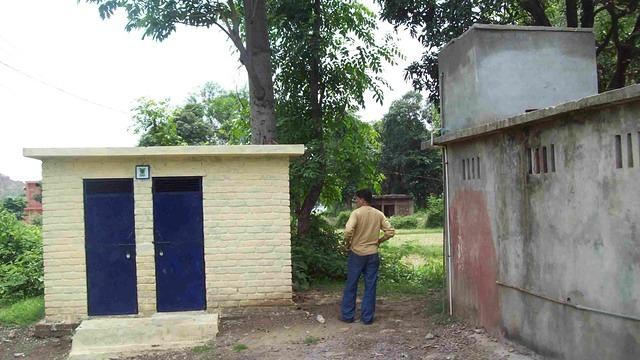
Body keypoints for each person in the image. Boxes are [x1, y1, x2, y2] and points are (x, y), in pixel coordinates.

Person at [340, 188, 395, 324]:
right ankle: (367, 318)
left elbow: (348, 230)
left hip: (356, 254)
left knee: (351, 285)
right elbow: (390, 232)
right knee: (370, 286)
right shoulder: (379, 214)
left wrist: (347, 243)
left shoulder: (356, 213)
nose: (356, 201)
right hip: (372, 254)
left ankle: (348, 316)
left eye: (357, 199)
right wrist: (378, 241)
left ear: (362, 199)